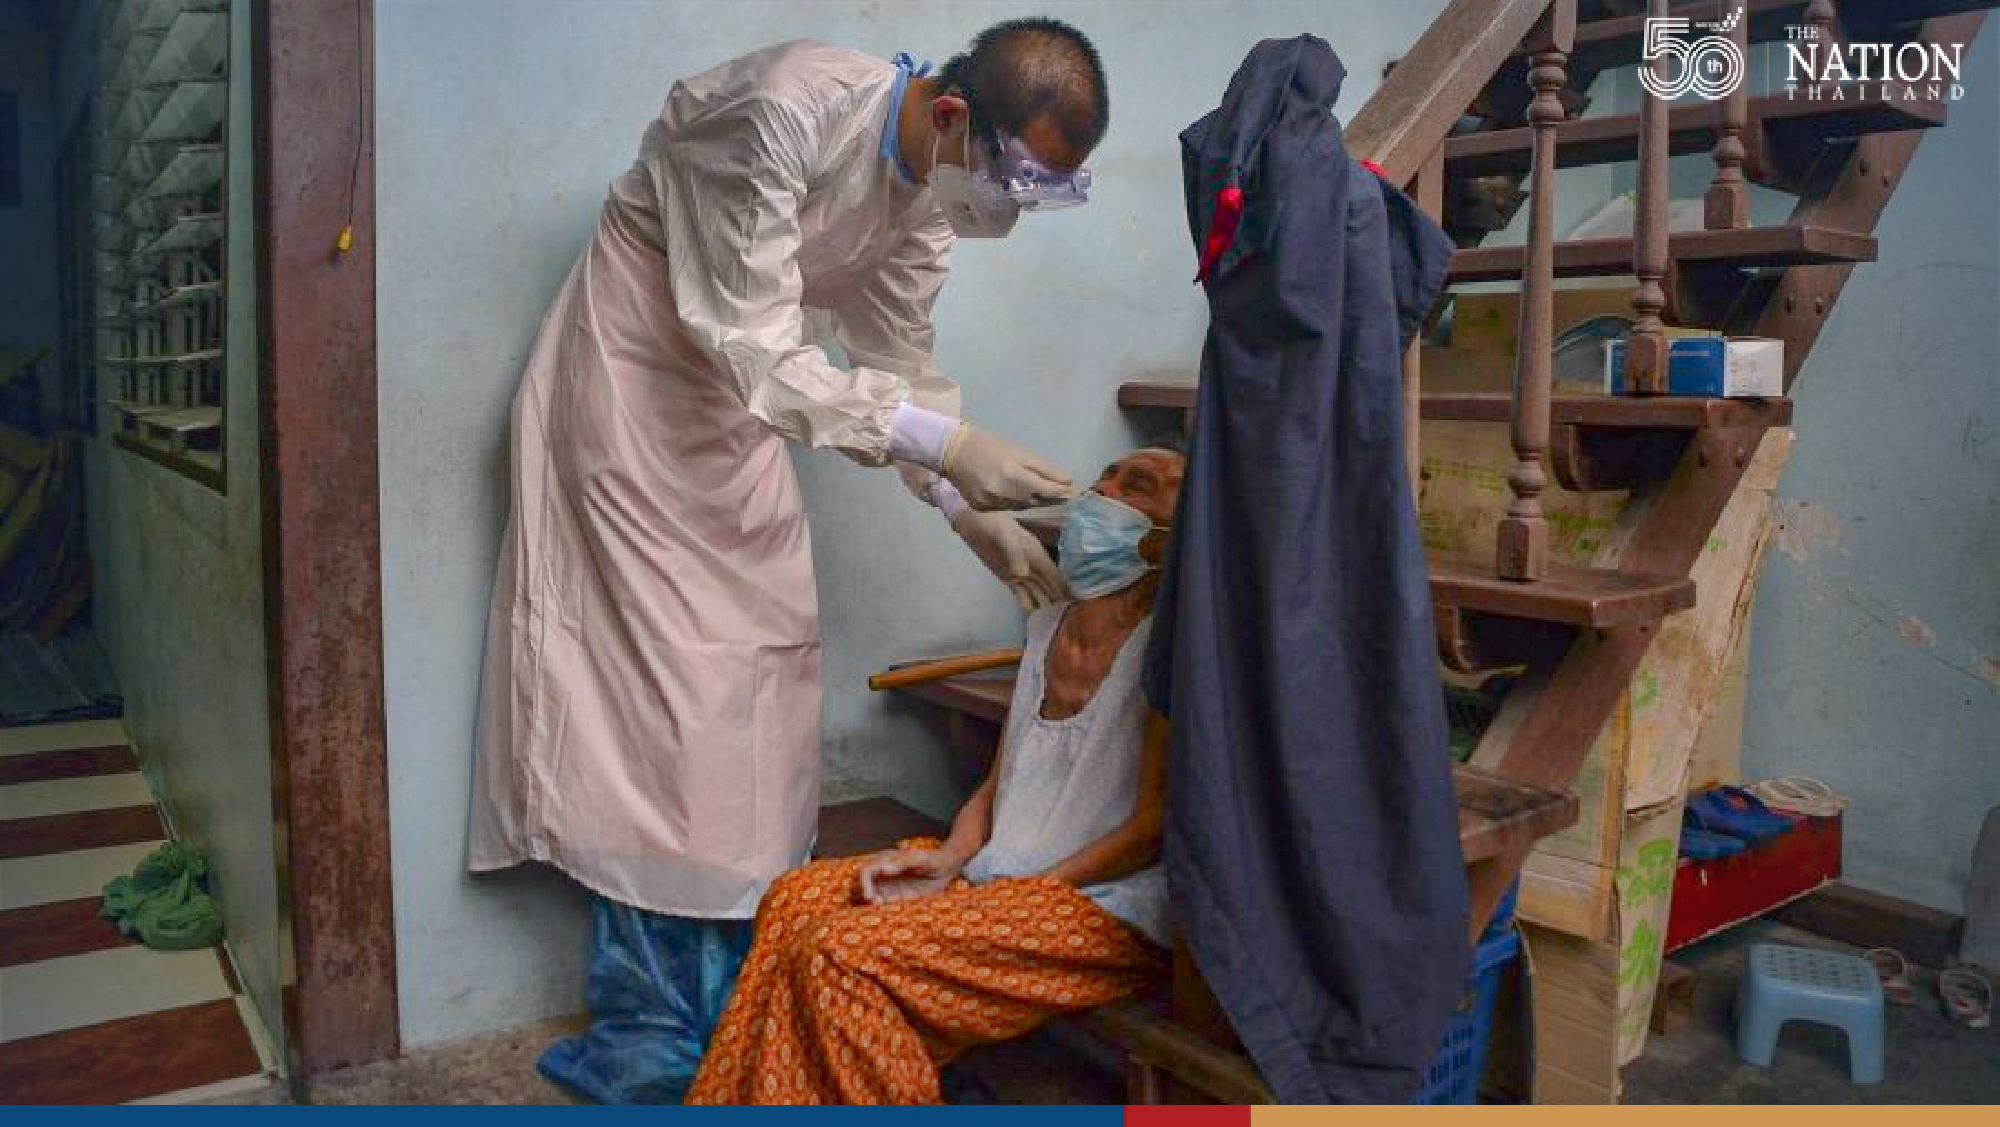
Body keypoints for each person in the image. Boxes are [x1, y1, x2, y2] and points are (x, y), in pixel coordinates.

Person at [466, 21, 1112, 1103]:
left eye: (1040, 190)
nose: (1009, 205)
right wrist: (951, 450)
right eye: (1012, 175)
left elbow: (895, 367)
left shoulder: (926, 205)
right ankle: (655, 1015)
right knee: (664, 686)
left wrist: (967, 509)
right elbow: (761, 349)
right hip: (631, 385)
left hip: (737, 413)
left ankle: (748, 985)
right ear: (952, 115)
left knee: (763, 662)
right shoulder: (783, 112)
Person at [686, 448, 1185, 1105]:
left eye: (1136, 487)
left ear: (1167, 541)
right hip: (1001, 874)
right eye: (1107, 475)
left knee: (843, 956)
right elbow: (999, 784)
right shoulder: (1045, 628)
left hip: (1097, 903)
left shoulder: (1168, 652)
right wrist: (950, 860)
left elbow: (1153, 827)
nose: (1103, 489)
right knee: (796, 900)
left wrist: (1022, 893)